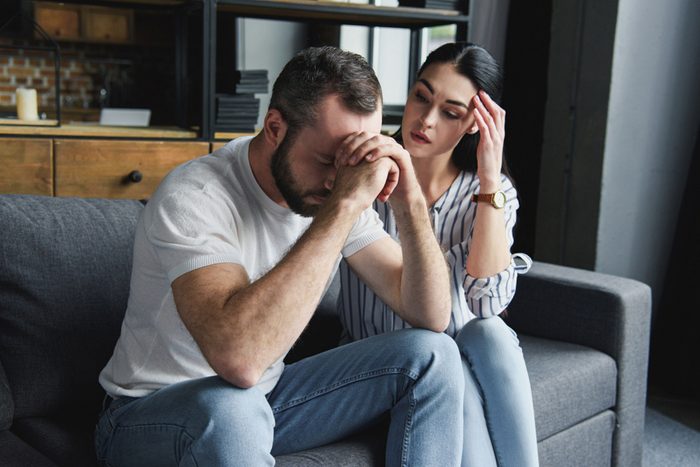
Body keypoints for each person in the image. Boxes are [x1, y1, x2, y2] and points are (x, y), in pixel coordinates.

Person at [94, 46, 466, 466]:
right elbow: (241, 361)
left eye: (353, 162)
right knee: (231, 408)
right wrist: (343, 205)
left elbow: (432, 314)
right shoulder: (196, 196)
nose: (338, 178)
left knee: (433, 356)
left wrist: (409, 199)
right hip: (147, 416)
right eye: (328, 159)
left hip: (262, 402)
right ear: (275, 127)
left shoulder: (329, 190)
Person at [337, 42, 539, 466]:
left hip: (460, 357)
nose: (425, 120)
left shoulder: (490, 193)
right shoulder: (365, 175)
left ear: (473, 125)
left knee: (491, 335)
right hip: (384, 363)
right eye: (421, 97)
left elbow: (488, 303)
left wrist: (488, 178)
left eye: (450, 112)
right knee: (446, 368)